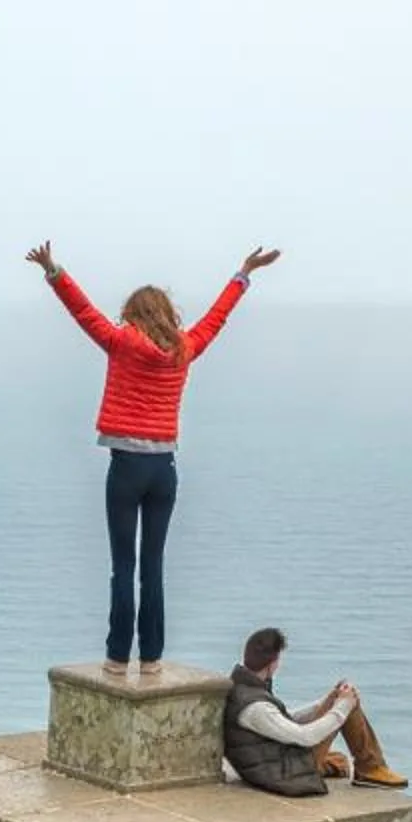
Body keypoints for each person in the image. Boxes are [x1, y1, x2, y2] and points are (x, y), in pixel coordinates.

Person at [24, 238, 280, 667]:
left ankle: (117, 656)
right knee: (153, 566)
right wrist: (243, 274)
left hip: (125, 467)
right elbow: (216, 319)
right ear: (166, 314)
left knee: (123, 564)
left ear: (132, 314)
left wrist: (53, 270)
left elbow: (82, 311)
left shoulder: (121, 342)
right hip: (164, 470)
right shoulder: (185, 349)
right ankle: (153, 658)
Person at [223, 626, 407, 794]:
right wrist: (342, 708)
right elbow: (304, 737)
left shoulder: (244, 688)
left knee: (339, 757)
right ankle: (370, 768)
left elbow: (283, 720)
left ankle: (360, 767)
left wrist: (325, 702)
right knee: (349, 706)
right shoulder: (254, 707)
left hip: (272, 763)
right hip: (279, 775)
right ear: (273, 663)